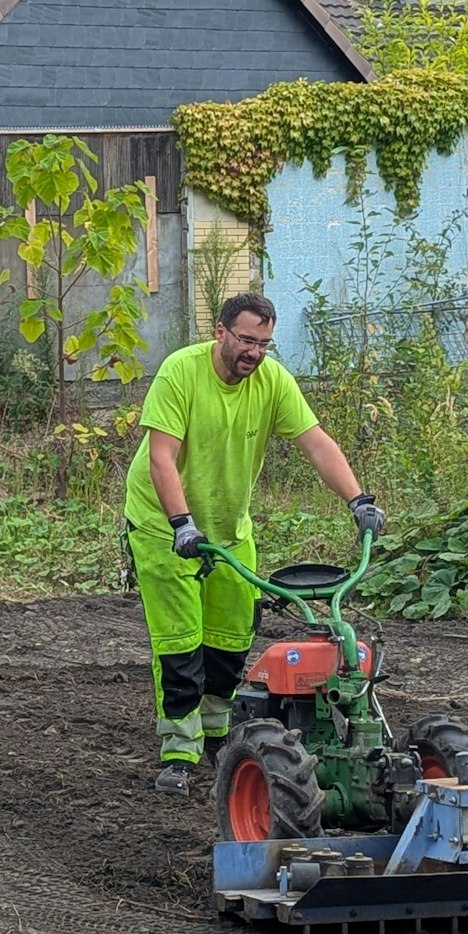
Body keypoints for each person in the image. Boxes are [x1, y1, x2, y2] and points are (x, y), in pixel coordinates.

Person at [122, 293, 384, 796]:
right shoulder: (181, 372)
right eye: (246, 340)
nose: (255, 353)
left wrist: (358, 501)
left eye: (265, 343)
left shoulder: (271, 381)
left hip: (228, 531)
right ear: (220, 332)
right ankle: (179, 751)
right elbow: (161, 457)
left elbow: (316, 442)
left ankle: (219, 737)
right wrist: (181, 524)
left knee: (229, 642)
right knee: (180, 647)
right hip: (163, 527)